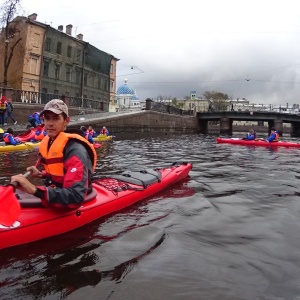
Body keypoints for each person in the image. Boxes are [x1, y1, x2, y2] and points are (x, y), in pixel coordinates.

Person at [10, 99, 97, 208]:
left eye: (56, 119)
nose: (50, 123)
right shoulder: (51, 142)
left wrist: (34, 190)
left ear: (66, 121)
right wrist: (42, 174)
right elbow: (62, 172)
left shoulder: (76, 150)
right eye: (47, 118)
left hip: (73, 198)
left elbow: (76, 196)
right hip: (57, 191)